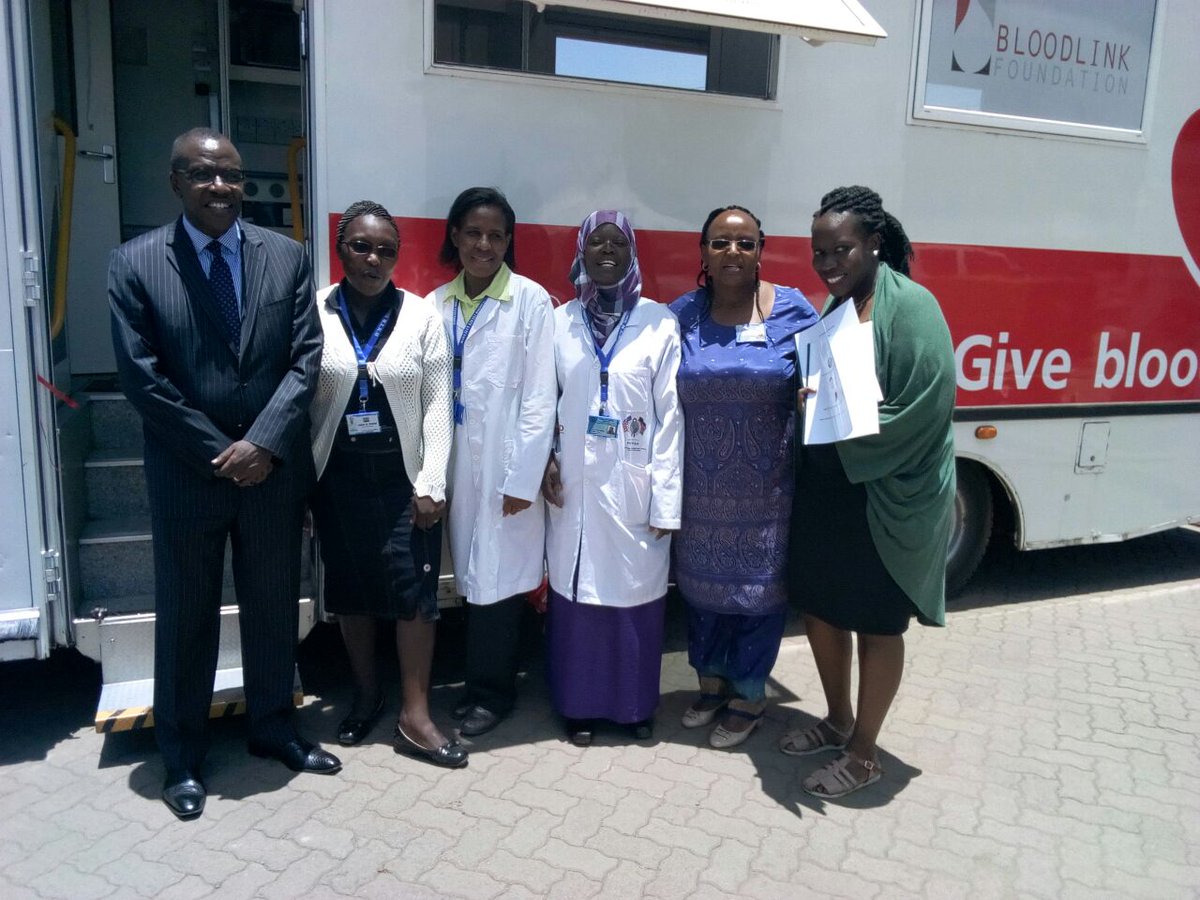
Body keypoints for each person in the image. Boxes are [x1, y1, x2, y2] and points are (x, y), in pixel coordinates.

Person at [109, 128, 337, 821]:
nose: (220, 188)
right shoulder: (136, 263)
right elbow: (141, 379)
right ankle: (181, 756)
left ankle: (273, 728)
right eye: (203, 175)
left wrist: (262, 444)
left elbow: (306, 359)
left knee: (272, 605)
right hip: (188, 474)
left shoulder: (287, 258)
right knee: (186, 617)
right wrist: (221, 450)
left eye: (232, 176)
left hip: (270, 473)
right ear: (174, 182)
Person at [784, 186, 955, 799]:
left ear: (874, 243)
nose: (828, 262)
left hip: (886, 493)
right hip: (830, 490)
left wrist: (844, 426)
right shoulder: (831, 310)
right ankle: (836, 720)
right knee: (821, 606)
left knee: (878, 624)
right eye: (819, 251)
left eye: (842, 249)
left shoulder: (912, 308)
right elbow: (825, 394)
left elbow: (925, 406)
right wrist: (809, 400)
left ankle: (864, 753)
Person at [309, 201, 465, 768]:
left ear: (398, 256)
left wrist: (431, 482)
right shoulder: (315, 311)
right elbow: (302, 399)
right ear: (340, 248)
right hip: (338, 477)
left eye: (385, 249)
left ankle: (415, 715)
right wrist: (303, 482)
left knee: (413, 595)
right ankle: (367, 695)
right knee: (351, 592)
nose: (373, 258)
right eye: (361, 246)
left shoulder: (421, 316)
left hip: (404, 481)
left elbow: (436, 405)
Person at [669, 206, 819, 749]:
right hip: (698, 490)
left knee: (757, 596)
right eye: (721, 243)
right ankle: (710, 686)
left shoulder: (794, 311)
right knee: (702, 591)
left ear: (761, 249)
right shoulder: (680, 316)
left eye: (745, 243)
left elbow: (825, 380)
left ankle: (750, 696)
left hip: (766, 491)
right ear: (703, 251)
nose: (733, 253)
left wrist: (816, 396)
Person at [542, 210, 683, 746]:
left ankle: (633, 707)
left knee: (635, 596)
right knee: (578, 595)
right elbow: (541, 402)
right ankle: (578, 706)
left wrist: (666, 502)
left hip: (634, 485)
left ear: (631, 254)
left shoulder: (659, 321)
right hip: (574, 484)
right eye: (596, 242)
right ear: (581, 251)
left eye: (616, 243)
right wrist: (543, 463)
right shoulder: (559, 323)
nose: (606, 251)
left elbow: (671, 417)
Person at [426, 187, 556, 737]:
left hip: (506, 468)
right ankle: (479, 684)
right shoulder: (435, 304)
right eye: (473, 233)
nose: (484, 244)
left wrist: (523, 476)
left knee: (499, 581)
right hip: (453, 463)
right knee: (471, 577)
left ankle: (493, 694)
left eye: (496, 235)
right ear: (454, 236)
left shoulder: (530, 301)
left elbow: (539, 397)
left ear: (509, 242)